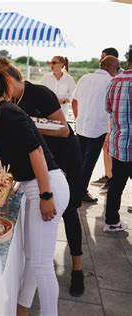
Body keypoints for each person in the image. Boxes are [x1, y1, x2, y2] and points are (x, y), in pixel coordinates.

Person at [0, 68, 69, 316]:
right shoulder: (4, 112)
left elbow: (36, 152)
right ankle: (22, 308)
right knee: (33, 258)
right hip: (41, 186)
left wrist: (46, 196)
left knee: (41, 264)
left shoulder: (7, 113)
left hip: (47, 186)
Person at [0, 58, 85, 297]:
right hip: (43, 160)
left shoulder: (40, 92)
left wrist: (28, 125)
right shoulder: (12, 101)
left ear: (10, 79)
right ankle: (33, 275)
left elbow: (64, 129)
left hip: (65, 157)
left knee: (69, 211)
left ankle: (77, 267)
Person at [72, 56, 120, 203]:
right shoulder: (111, 82)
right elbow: (113, 108)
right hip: (98, 128)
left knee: (79, 160)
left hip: (81, 126)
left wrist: (78, 119)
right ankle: (80, 191)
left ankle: (74, 188)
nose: (118, 71)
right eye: (117, 68)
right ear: (109, 67)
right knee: (89, 163)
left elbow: (74, 101)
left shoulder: (85, 78)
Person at [103, 49, 131, 233]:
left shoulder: (115, 80)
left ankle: (111, 221)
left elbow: (108, 107)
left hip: (119, 142)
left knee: (116, 184)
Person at [92, 47, 119, 187]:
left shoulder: (114, 79)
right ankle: (108, 175)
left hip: (110, 121)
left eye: (103, 57)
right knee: (106, 149)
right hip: (103, 121)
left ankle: (111, 177)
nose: (100, 60)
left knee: (110, 149)